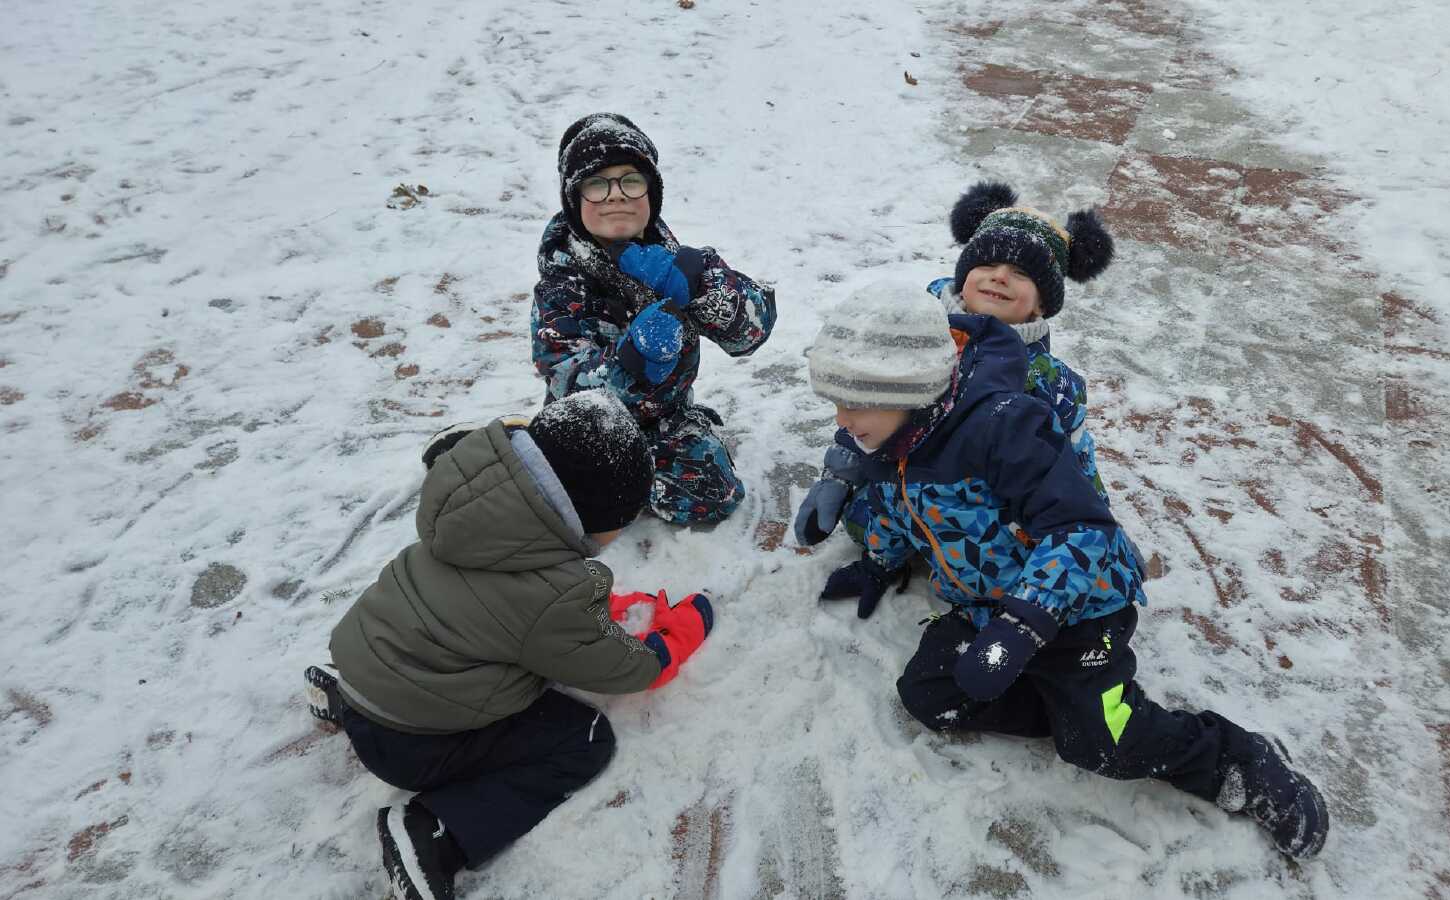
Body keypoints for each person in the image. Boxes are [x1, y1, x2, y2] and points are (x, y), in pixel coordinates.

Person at [801, 284, 1329, 860]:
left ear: (906, 390)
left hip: (1079, 605)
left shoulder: (1003, 428)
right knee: (927, 694)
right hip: (987, 605)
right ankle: (1066, 705)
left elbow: (1082, 528)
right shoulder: (893, 443)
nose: (841, 419)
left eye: (854, 403)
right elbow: (898, 510)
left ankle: (1237, 762)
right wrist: (878, 564)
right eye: (836, 402)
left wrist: (1020, 629)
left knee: (1104, 744)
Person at [303, 392, 715, 900]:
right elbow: (626, 668)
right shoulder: (551, 596)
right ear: (595, 518)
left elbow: (503, 607)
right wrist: (681, 631)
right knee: (584, 741)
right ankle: (435, 832)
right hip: (414, 747)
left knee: (429, 629)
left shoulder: (467, 504)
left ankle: (345, 699)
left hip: (366, 665)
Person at [794, 181, 1114, 550]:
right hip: (899, 482)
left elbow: (1071, 457)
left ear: (1042, 304)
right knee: (861, 522)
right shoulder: (916, 328)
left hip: (974, 507)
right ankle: (888, 553)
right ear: (964, 278)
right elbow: (866, 396)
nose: (1000, 276)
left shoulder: (1050, 381)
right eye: (987, 263)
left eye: (1021, 273)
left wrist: (1097, 526)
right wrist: (840, 471)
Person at [531, 112, 777, 526]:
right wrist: (633, 359)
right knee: (581, 500)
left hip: (664, 416)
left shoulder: (677, 261)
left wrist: (701, 286)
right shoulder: (561, 287)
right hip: (595, 432)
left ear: (651, 192)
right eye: (596, 184)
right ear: (574, 200)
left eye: (631, 180)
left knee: (713, 492)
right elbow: (567, 381)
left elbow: (751, 333)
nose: (615, 196)